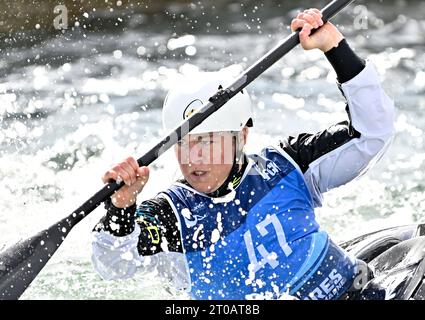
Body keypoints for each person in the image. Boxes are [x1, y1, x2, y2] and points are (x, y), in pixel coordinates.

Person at [91, 9, 395, 300]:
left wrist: (333, 46)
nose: (193, 158)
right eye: (182, 143)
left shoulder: (289, 165)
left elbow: (371, 134)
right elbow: (115, 263)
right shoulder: (172, 215)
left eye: (208, 142)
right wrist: (121, 207)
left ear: (242, 135)